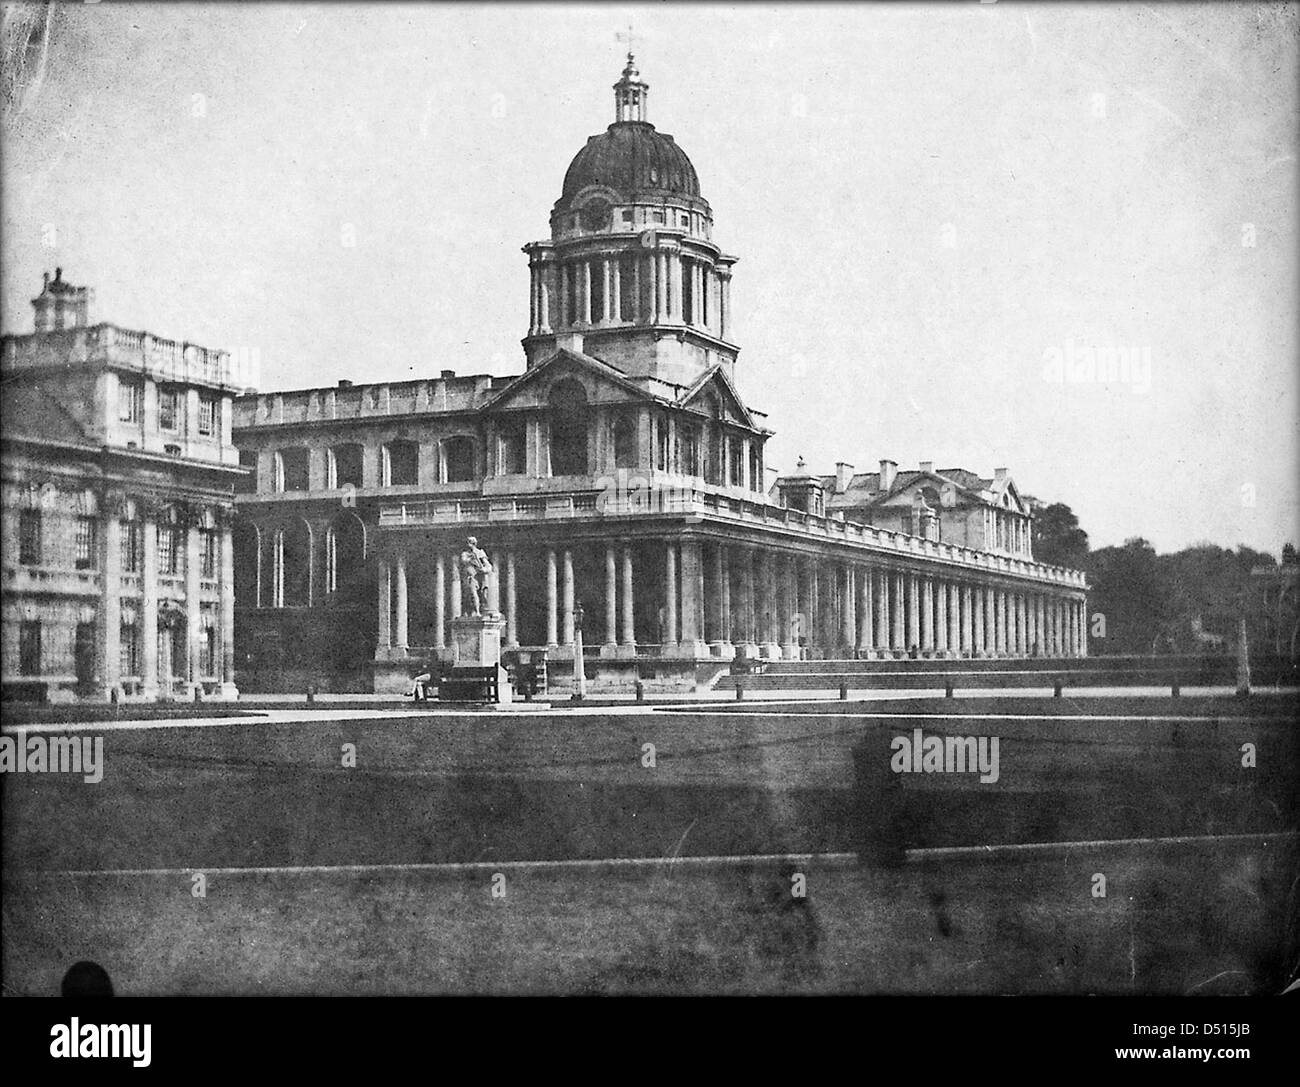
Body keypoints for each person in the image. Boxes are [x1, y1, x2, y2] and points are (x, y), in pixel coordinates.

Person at [459, 536, 493, 615]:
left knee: (483, 595)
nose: (468, 544)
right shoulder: (465, 554)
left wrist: (484, 569)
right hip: (471, 576)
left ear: (474, 544)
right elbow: (464, 561)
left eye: (470, 543)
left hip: (480, 576)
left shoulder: (480, 552)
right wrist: (471, 557)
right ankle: (476, 612)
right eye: (468, 542)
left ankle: (482, 610)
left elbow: (488, 566)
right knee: (472, 594)